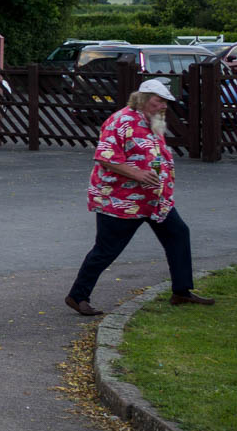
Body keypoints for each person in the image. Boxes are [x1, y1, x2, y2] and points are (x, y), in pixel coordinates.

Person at [64, 79, 212, 316]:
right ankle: (77, 296)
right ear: (143, 99)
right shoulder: (120, 121)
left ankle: (181, 291)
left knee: (178, 234)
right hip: (121, 201)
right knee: (106, 250)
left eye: (166, 102)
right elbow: (105, 157)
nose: (164, 106)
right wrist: (138, 174)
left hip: (154, 201)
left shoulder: (153, 121)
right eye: (159, 101)